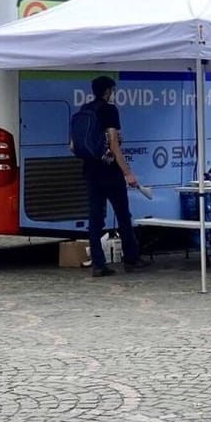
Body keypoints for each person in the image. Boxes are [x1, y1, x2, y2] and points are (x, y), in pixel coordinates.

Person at [80, 75, 144, 277]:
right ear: (107, 91)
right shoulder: (109, 110)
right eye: (112, 90)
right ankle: (131, 259)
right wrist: (128, 173)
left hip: (90, 170)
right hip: (110, 171)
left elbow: (73, 145)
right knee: (123, 215)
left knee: (95, 218)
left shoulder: (84, 110)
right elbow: (114, 144)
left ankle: (98, 264)